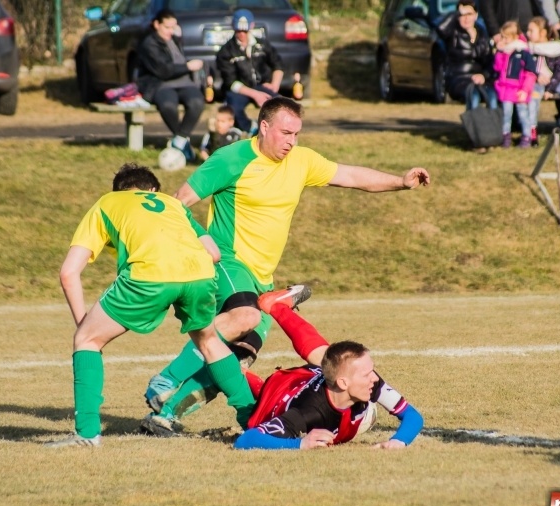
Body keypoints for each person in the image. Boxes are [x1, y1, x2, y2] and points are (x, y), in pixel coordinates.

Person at [141, 96, 430, 435]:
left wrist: (400, 181)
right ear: (264, 127)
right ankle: (167, 379)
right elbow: (177, 203)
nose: (291, 141)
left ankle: (166, 414)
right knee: (245, 317)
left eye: (296, 134)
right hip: (228, 263)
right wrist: (199, 242)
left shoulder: (301, 161)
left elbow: (351, 175)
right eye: (285, 133)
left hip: (263, 279)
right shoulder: (231, 159)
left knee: (236, 359)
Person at [44, 163, 255, 448]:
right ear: (153, 190)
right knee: (210, 342)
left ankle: (87, 433)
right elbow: (214, 253)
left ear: (119, 191)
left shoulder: (108, 202)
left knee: (86, 340)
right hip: (200, 274)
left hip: (150, 276)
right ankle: (254, 422)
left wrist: (85, 327)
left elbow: (68, 273)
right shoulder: (172, 204)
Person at [231, 287, 424, 450]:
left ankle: (276, 306)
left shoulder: (366, 381)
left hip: (306, 379)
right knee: (241, 376)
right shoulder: (308, 412)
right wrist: (300, 444)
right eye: (367, 374)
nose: (375, 378)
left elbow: (412, 416)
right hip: (279, 393)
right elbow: (246, 440)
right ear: (343, 383)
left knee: (334, 358)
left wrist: (399, 440)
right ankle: (231, 363)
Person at [136, 9, 204, 162]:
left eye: (173, 27)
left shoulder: (175, 38)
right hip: (161, 84)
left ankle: (179, 140)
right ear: (156, 24)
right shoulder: (149, 44)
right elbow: (163, 71)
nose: (171, 31)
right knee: (168, 105)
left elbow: (179, 57)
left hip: (184, 82)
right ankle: (183, 142)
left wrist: (178, 38)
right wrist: (188, 66)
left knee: (197, 102)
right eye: (167, 27)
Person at [216, 9, 283, 135]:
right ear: (233, 27)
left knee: (280, 105)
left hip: (262, 85)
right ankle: (251, 129)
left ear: (252, 26)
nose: (242, 34)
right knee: (234, 107)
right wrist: (256, 95)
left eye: (245, 30)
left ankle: (275, 132)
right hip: (240, 89)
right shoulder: (226, 51)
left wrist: (275, 84)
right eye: (238, 30)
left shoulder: (262, 45)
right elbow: (230, 82)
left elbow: (277, 64)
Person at [526, 16, 560, 145]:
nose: (528, 33)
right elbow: (526, 67)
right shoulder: (528, 49)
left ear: (543, 32)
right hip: (536, 82)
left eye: (531, 30)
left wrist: (551, 88)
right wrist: (537, 76)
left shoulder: (556, 48)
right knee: (533, 97)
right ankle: (532, 132)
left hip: (555, 81)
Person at [439, 0, 497, 111]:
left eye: (469, 14)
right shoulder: (453, 32)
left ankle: (492, 121)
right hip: (459, 78)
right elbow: (440, 29)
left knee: (492, 96)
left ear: (476, 15)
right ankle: (472, 121)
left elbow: (490, 61)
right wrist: (456, 13)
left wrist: (483, 76)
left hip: (479, 77)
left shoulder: (482, 33)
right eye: (462, 15)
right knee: (474, 95)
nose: (466, 18)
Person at [492, 21, 537, 149]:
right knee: (506, 114)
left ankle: (526, 136)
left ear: (515, 36)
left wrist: (525, 90)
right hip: (506, 89)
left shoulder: (523, 52)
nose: (504, 40)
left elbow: (530, 73)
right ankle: (506, 136)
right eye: (502, 37)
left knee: (523, 114)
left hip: (519, 89)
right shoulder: (504, 52)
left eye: (506, 37)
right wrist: (499, 53)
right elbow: (497, 67)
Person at [478, 0, 543, 43]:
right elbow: (486, 7)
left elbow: (537, 4)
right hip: (507, 32)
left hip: (530, 30)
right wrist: (495, 31)